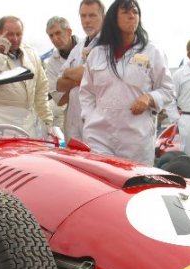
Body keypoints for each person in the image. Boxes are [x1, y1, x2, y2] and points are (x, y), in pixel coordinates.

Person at [80, 0, 173, 165]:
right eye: (125, 12)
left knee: (134, 185)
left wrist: (149, 98)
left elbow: (168, 90)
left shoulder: (152, 51)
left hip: (136, 138)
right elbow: (86, 92)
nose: (132, 16)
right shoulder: (97, 54)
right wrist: (89, 118)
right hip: (99, 136)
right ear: (113, 19)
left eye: (135, 12)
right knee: (101, 183)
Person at [0, 15, 52, 133]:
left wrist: (47, 122)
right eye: (10, 34)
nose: (15, 39)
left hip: (28, 128)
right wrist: (1, 53)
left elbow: (41, 90)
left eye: (19, 34)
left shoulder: (31, 54)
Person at [57, 0, 105, 141]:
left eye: (92, 15)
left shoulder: (108, 45)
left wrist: (69, 73)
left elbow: (89, 74)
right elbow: (59, 84)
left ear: (104, 17)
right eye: (83, 16)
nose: (87, 21)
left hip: (98, 125)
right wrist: (74, 74)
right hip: (74, 123)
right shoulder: (78, 48)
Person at [44, 16, 77, 131]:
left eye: (58, 33)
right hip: (73, 117)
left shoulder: (89, 47)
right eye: (51, 35)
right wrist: (80, 79)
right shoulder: (52, 63)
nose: (55, 38)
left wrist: (66, 82)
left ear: (68, 32)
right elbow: (60, 100)